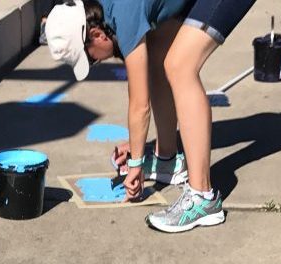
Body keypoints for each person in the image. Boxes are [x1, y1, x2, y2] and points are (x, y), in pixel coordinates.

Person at [45, 0, 256, 233]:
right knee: (157, 49)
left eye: (91, 58)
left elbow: (139, 104)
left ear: (97, 35)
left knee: (180, 66)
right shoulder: (111, 9)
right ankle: (167, 160)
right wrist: (139, 146)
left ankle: (202, 198)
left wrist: (135, 162)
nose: (96, 62)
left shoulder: (123, 15)